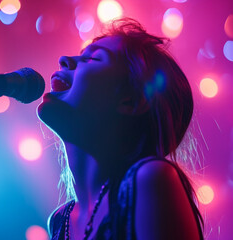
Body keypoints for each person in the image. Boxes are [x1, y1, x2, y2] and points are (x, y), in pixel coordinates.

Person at [37, 18, 204, 240]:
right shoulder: (60, 221)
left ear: (131, 101)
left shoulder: (151, 178)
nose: (64, 60)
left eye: (91, 58)